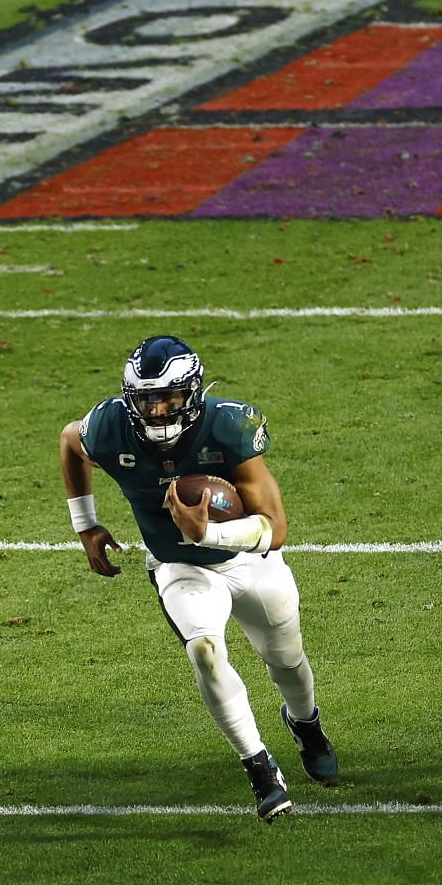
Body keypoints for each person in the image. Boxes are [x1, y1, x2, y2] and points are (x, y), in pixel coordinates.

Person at [59, 335, 336, 821]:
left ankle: (304, 723)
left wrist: (211, 531)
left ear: (194, 391)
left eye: (169, 396)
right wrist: (85, 523)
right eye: (147, 399)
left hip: (251, 563)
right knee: (204, 652)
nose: (159, 409)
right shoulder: (108, 428)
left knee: (287, 661)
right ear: (131, 399)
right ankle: (260, 768)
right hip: (179, 567)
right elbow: (68, 441)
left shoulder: (228, 425)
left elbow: (275, 527)